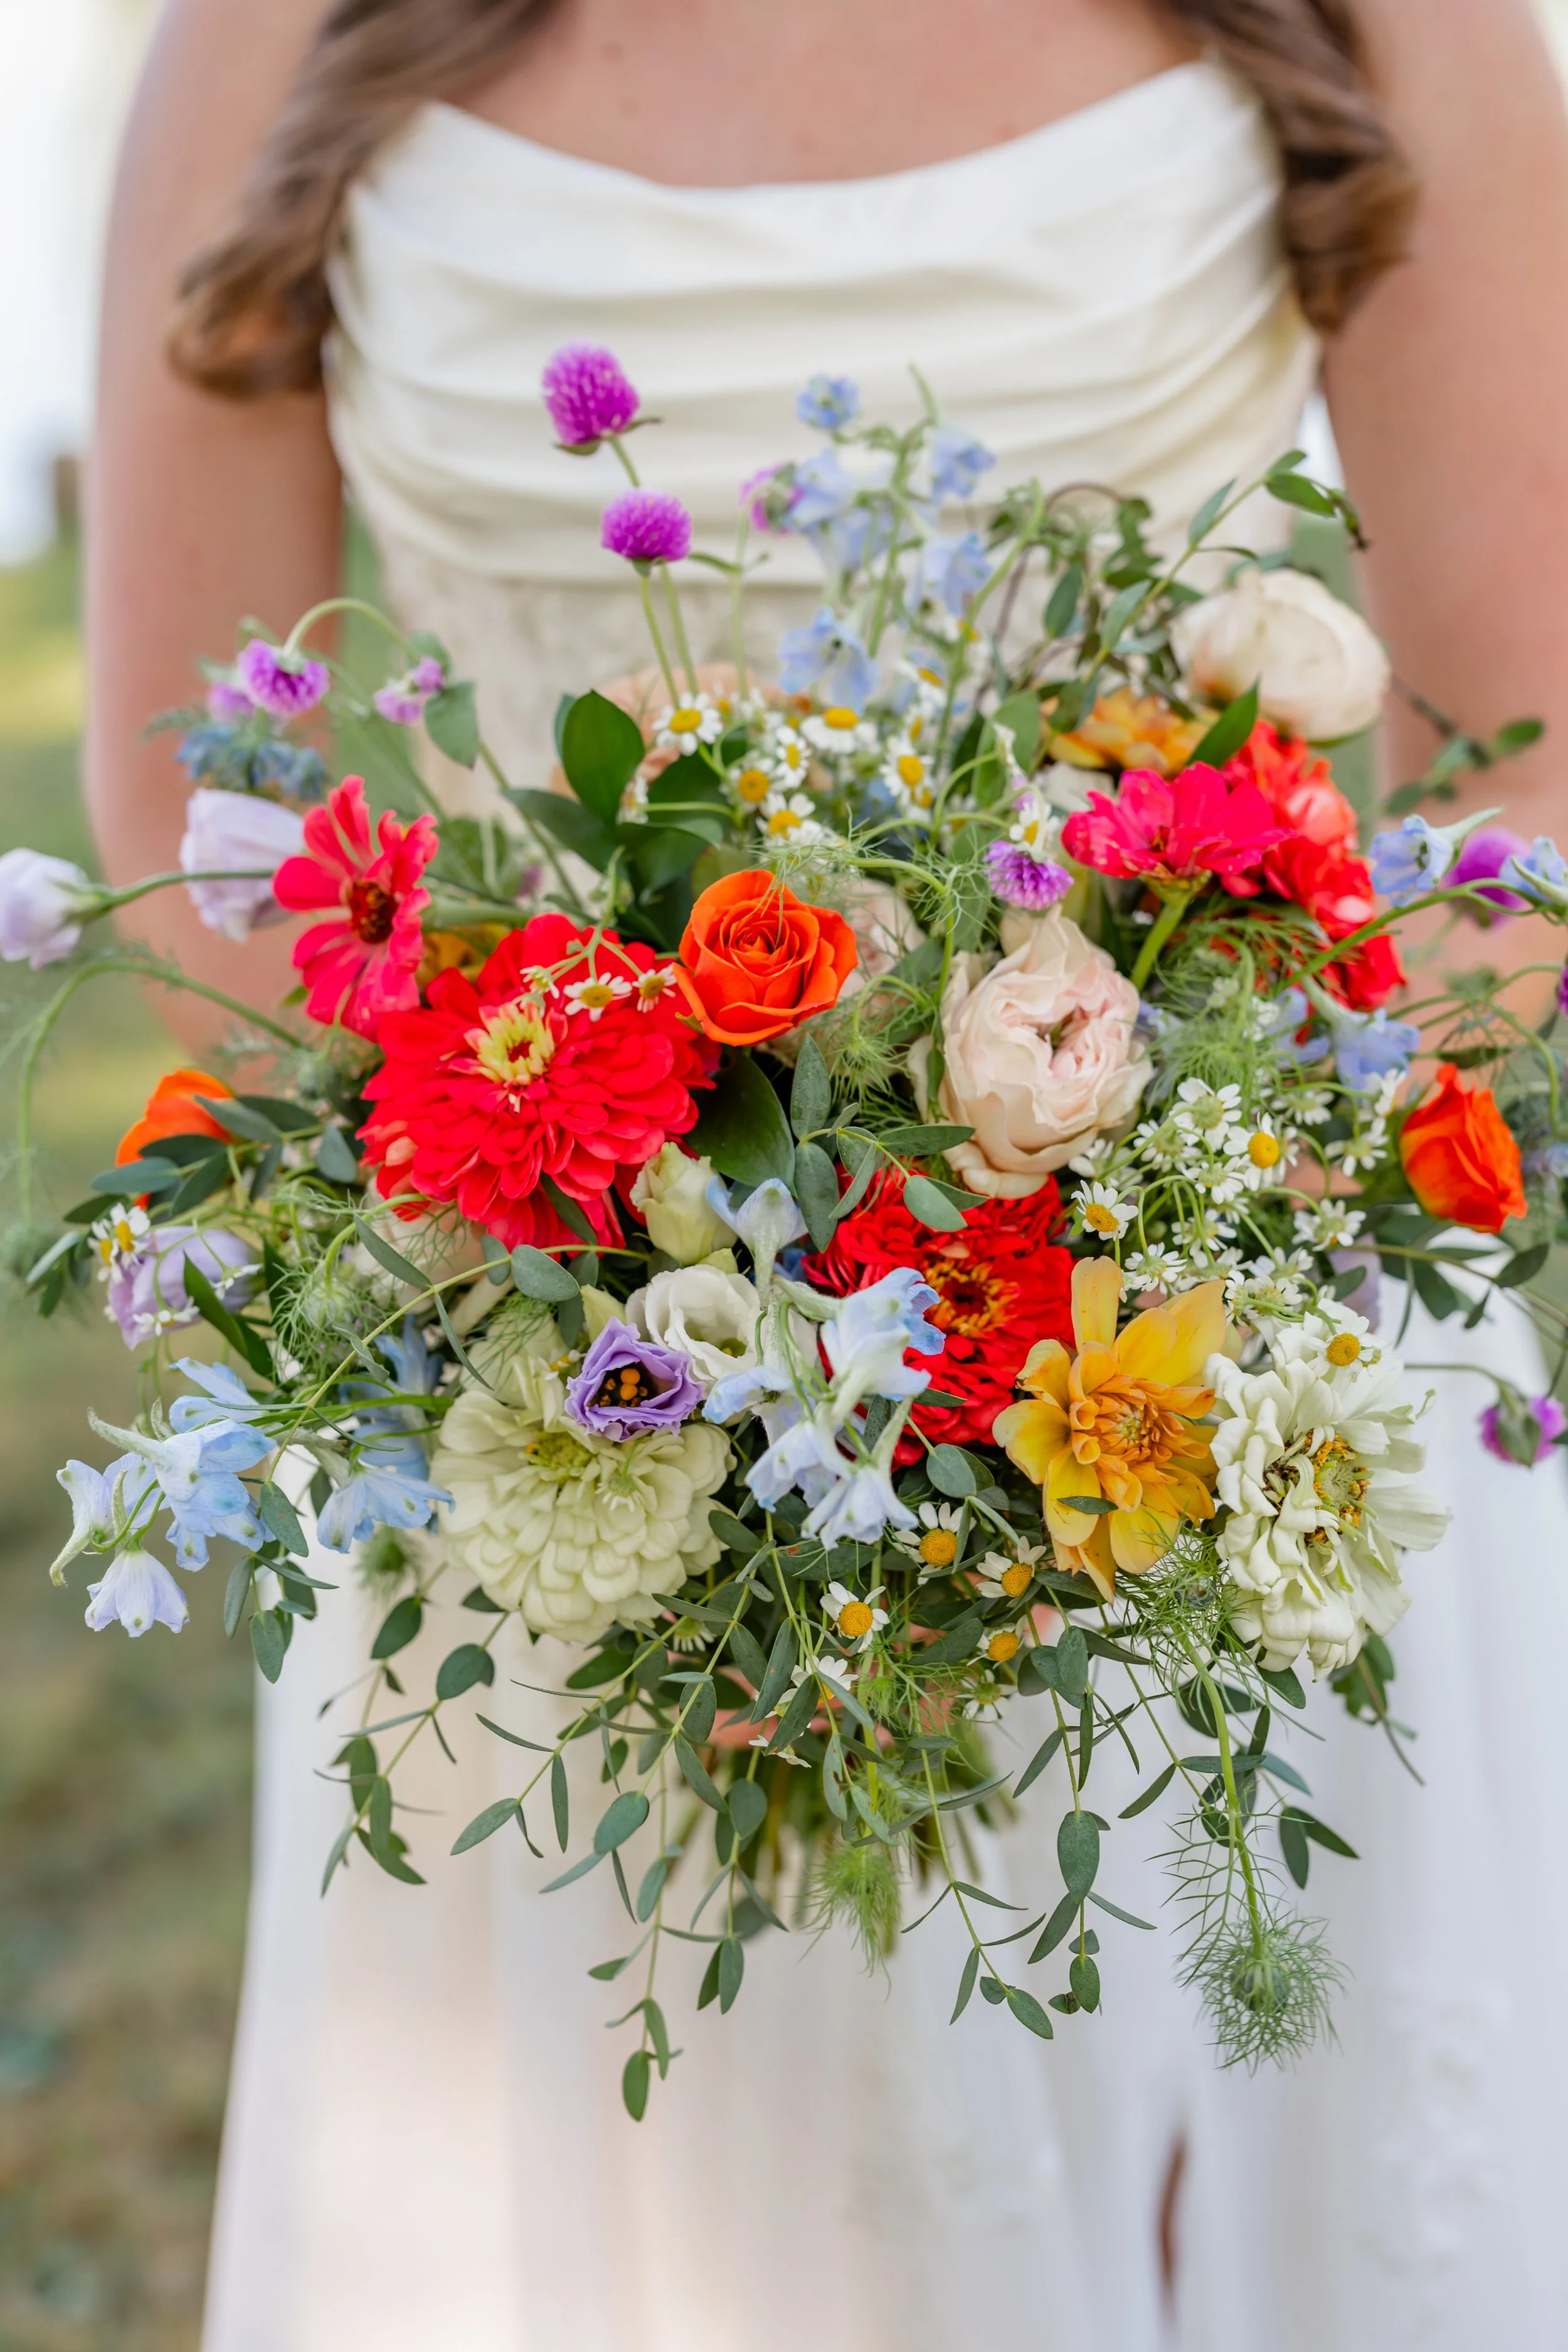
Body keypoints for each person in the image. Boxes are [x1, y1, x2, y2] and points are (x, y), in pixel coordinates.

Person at [87, 3, 1568, 2346]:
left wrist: (1181, 1226)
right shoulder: (266, 31)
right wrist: (573, 1300)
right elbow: (202, 870)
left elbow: (1523, 750)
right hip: (555, 1412)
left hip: (1210, 1384)